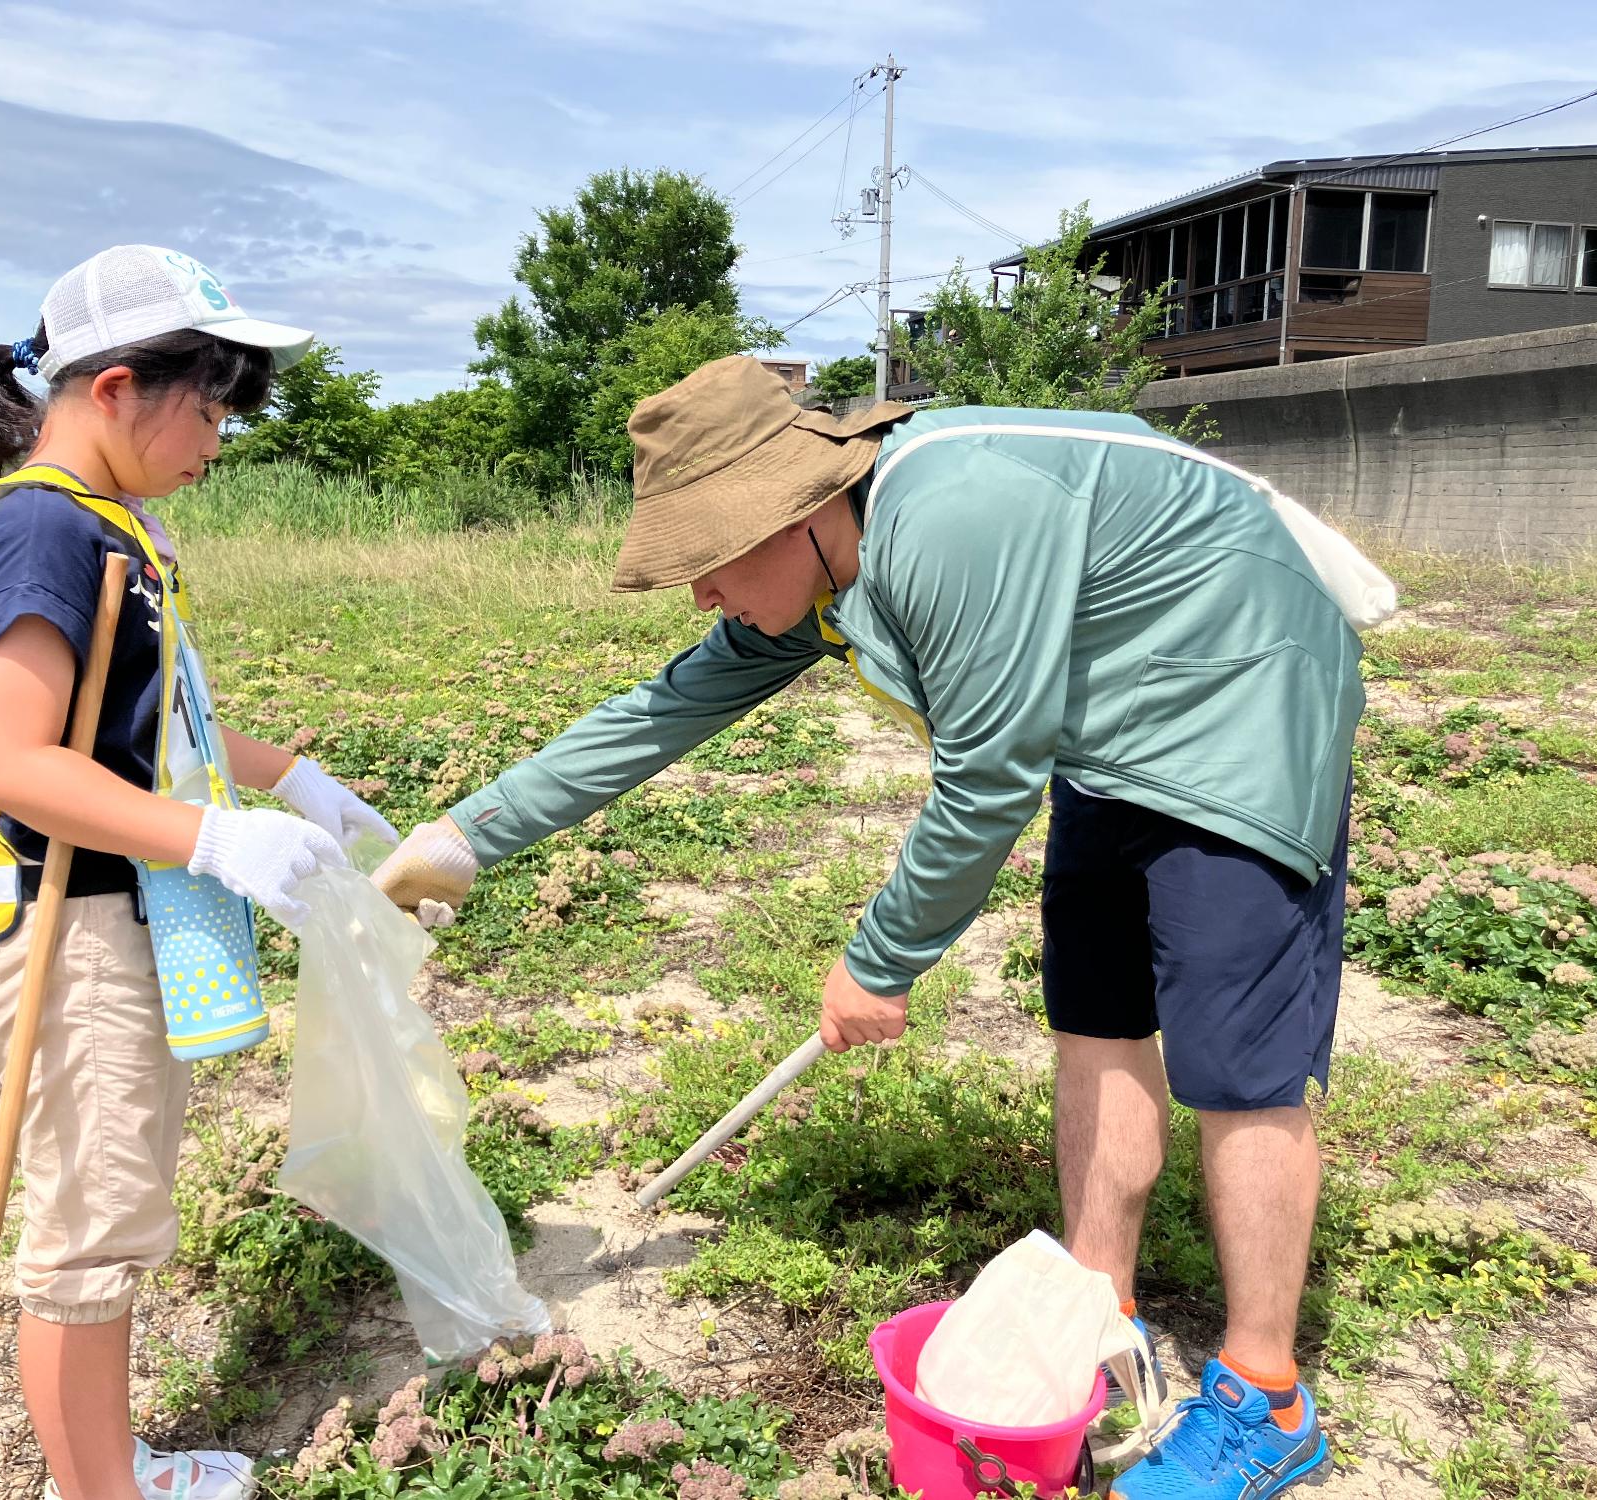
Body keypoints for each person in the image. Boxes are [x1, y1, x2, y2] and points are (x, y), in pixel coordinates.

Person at [377, 356, 1367, 1500]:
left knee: (1236, 1068)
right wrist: (465, 835)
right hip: (1108, 725)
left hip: (1241, 695)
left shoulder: (946, 519)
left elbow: (989, 777)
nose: (699, 593)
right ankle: (1096, 1305)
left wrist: (877, 962)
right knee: (1095, 1010)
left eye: (706, 559)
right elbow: (662, 709)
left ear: (790, 509)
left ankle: (1264, 1398)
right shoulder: (826, 566)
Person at [0, 245, 424, 1500]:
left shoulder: (109, 523)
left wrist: (284, 777)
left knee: (110, 1221)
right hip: (69, 930)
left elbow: (161, 729)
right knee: (88, 1244)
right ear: (111, 391)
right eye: (206, 407)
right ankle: (100, 1491)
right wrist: (214, 840)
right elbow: (12, 758)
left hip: (112, 916)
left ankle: (104, 1463)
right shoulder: (39, 524)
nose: (217, 438)